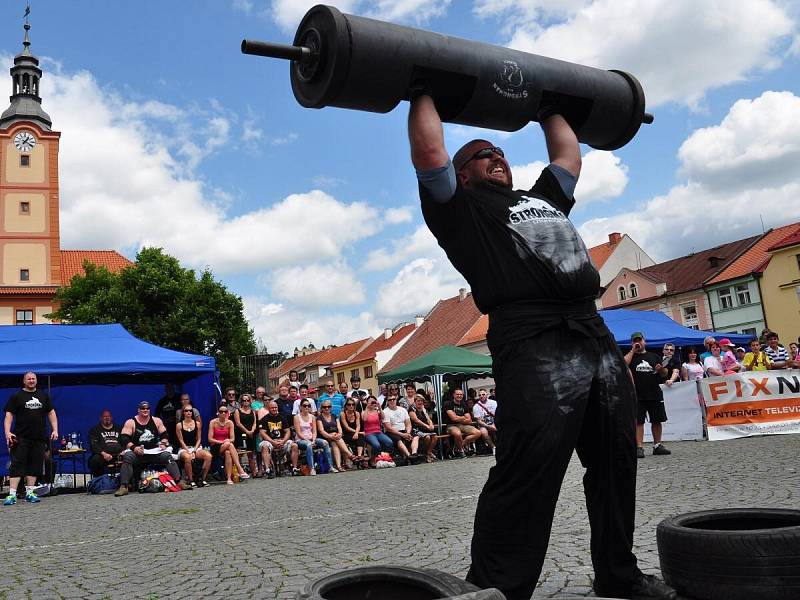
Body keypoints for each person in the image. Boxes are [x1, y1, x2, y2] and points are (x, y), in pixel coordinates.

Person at [408, 90, 674, 599]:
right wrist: (421, 86)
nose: (497, 156)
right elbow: (430, 153)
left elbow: (568, 157)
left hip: (591, 331)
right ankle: (496, 589)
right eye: (483, 154)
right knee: (528, 466)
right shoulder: (459, 209)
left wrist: (547, 104)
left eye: (500, 152)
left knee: (618, 458)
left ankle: (618, 574)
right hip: (531, 337)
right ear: (463, 174)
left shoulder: (540, 198)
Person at [3, 372, 58, 505]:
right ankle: (12, 495)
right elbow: (9, 415)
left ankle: (30, 492)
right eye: (29, 379)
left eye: (33, 379)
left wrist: (55, 429)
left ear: (36, 381)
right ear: (24, 381)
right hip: (20, 437)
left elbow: (51, 412)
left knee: (35, 466)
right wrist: (7, 432)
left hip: (39, 438)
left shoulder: (43, 396)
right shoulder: (17, 396)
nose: (31, 381)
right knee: (17, 465)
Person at [115, 401, 191, 496]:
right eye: (143, 408)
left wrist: (163, 442)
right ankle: (124, 486)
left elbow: (165, 434)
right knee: (128, 457)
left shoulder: (156, 420)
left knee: (167, 456)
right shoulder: (131, 422)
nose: (145, 410)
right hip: (138, 452)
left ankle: (179, 481)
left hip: (154, 452)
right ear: (138, 410)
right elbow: (124, 438)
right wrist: (134, 448)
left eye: (147, 408)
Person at [626, 333, 671, 458]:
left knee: (657, 419)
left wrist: (661, 369)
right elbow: (623, 364)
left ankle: (657, 445)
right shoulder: (631, 356)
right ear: (632, 343)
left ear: (644, 341)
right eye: (635, 341)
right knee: (638, 421)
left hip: (654, 393)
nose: (638, 343)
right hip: (637, 395)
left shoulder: (654, 356)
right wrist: (632, 351)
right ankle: (639, 447)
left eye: (639, 340)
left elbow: (664, 373)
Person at [208, 405, 249, 484]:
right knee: (229, 444)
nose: (223, 413)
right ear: (218, 413)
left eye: (225, 412)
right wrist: (222, 442)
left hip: (227, 445)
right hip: (216, 446)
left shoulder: (230, 423)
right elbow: (210, 439)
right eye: (221, 412)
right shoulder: (213, 422)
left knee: (228, 453)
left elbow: (232, 438)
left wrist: (227, 441)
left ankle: (229, 478)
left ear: (227, 413)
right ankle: (240, 469)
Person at [257, 401, 300, 478]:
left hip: (282, 440)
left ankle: (294, 469)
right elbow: (263, 433)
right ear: (268, 409)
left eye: (275, 407)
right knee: (265, 446)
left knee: (294, 445)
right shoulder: (264, 419)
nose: (274, 409)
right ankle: (268, 470)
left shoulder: (282, 418)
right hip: (269, 441)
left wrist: (283, 441)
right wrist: (272, 442)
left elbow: (287, 431)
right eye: (272, 408)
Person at [294, 399, 334, 474]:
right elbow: (298, 433)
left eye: (308, 406)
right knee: (309, 445)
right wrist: (309, 441)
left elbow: (314, 431)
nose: (306, 407)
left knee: (325, 442)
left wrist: (313, 440)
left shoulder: (312, 417)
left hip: (312, 438)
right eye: (304, 405)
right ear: (300, 407)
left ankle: (330, 466)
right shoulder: (297, 417)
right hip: (301, 440)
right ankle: (312, 468)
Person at [316, 400, 359, 471]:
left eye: (328, 407)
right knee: (335, 438)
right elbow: (321, 431)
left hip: (335, 437)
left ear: (331, 408)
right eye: (324, 407)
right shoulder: (319, 418)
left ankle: (339, 466)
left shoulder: (334, 416)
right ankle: (350, 455)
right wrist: (331, 436)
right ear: (322, 408)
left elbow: (339, 427)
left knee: (334, 443)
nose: (327, 408)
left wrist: (340, 434)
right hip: (325, 437)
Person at [175, 404, 212, 487]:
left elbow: (199, 439)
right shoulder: (179, 425)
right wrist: (188, 451)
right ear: (183, 413)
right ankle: (191, 479)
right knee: (187, 457)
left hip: (196, 447)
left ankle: (202, 478)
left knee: (208, 456)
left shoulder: (197, 424)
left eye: (190, 411)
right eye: (186, 411)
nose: (188, 412)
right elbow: (180, 440)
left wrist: (194, 450)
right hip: (184, 448)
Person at [443, 389, 482, 459]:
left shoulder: (463, 404)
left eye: (461, 394)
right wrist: (463, 417)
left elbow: (469, 420)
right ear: (454, 395)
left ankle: (459, 447)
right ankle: (460, 451)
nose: (459, 396)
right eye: (457, 394)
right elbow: (453, 418)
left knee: (478, 432)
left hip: (463, 425)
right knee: (457, 433)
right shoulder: (448, 404)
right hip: (451, 425)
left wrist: (458, 417)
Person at [382, 395, 418, 464]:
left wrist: (407, 433)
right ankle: (409, 456)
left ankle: (414, 454)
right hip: (393, 431)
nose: (392, 401)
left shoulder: (403, 409)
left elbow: (408, 423)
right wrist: (403, 434)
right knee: (398, 439)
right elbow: (388, 428)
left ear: (396, 400)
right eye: (390, 400)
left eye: (394, 399)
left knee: (416, 436)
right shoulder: (385, 411)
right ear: (387, 402)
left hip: (404, 430)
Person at [88, 409, 123, 477]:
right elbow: (93, 445)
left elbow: (125, 441)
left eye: (109, 416)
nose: (107, 418)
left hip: (118, 455)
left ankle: (126, 484)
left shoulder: (119, 428)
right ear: (101, 418)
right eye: (105, 416)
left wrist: (123, 451)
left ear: (111, 417)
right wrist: (104, 454)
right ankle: (99, 482)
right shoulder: (95, 430)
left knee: (130, 457)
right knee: (94, 460)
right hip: (103, 456)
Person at [361, 395, 393, 466]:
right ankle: (372, 459)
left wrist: (379, 407)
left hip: (378, 432)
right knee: (376, 445)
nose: (372, 403)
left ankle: (383, 457)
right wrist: (367, 406)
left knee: (389, 442)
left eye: (373, 402)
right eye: (371, 402)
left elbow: (383, 417)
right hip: (369, 433)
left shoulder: (377, 411)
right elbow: (365, 419)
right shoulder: (364, 412)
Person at [233, 394, 258, 476]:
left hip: (251, 433)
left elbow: (254, 422)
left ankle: (254, 472)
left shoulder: (252, 411)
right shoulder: (238, 411)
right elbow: (238, 423)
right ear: (241, 401)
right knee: (240, 454)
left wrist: (252, 430)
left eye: (247, 400)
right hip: (240, 434)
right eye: (244, 400)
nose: (246, 402)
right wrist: (247, 431)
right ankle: (239, 472)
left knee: (251, 454)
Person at [409, 394, 438, 462]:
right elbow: (416, 420)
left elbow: (428, 418)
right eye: (418, 401)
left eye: (421, 401)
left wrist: (431, 425)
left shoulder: (423, 409)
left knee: (435, 436)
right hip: (416, 429)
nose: (420, 402)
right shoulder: (412, 409)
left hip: (424, 428)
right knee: (427, 437)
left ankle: (428, 452)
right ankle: (425, 454)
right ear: (415, 401)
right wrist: (426, 426)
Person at [155, 384, 181, 449]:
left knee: (178, 441)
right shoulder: (162, 401)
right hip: (166, 425)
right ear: (165, 390)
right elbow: (157, 414)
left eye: (171, 388)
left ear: (174, 389)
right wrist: (159, 425)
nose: (169, 390)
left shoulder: (179, 399)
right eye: (168, 389)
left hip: (178, 425)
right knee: (167, 441)